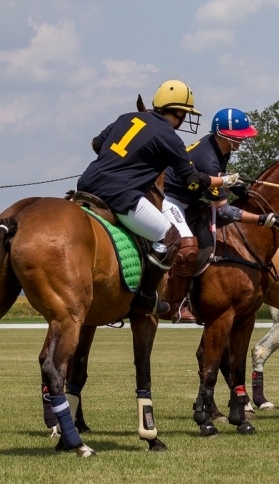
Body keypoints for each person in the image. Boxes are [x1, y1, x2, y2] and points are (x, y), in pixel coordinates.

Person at [77, 79, 241, 315]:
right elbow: (193, 180)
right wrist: (223, 181)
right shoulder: (169, 136)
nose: (186, 118)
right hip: (121, 196)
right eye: (185, 113)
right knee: (171, 238)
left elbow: (96, 143)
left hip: (86, 185)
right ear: (177, 112)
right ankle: (145, 298)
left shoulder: (127, 117)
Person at [160, 107, 275, 322]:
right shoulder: (207, 159)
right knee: (187, 245)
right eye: (238, 137)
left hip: (192, 201)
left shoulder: (222, 149)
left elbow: (219, 180)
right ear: (224, 135)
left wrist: (236, 185)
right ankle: (176, 304)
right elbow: (223, 208)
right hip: (170, 200)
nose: (242, 141)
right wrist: (259, 219)